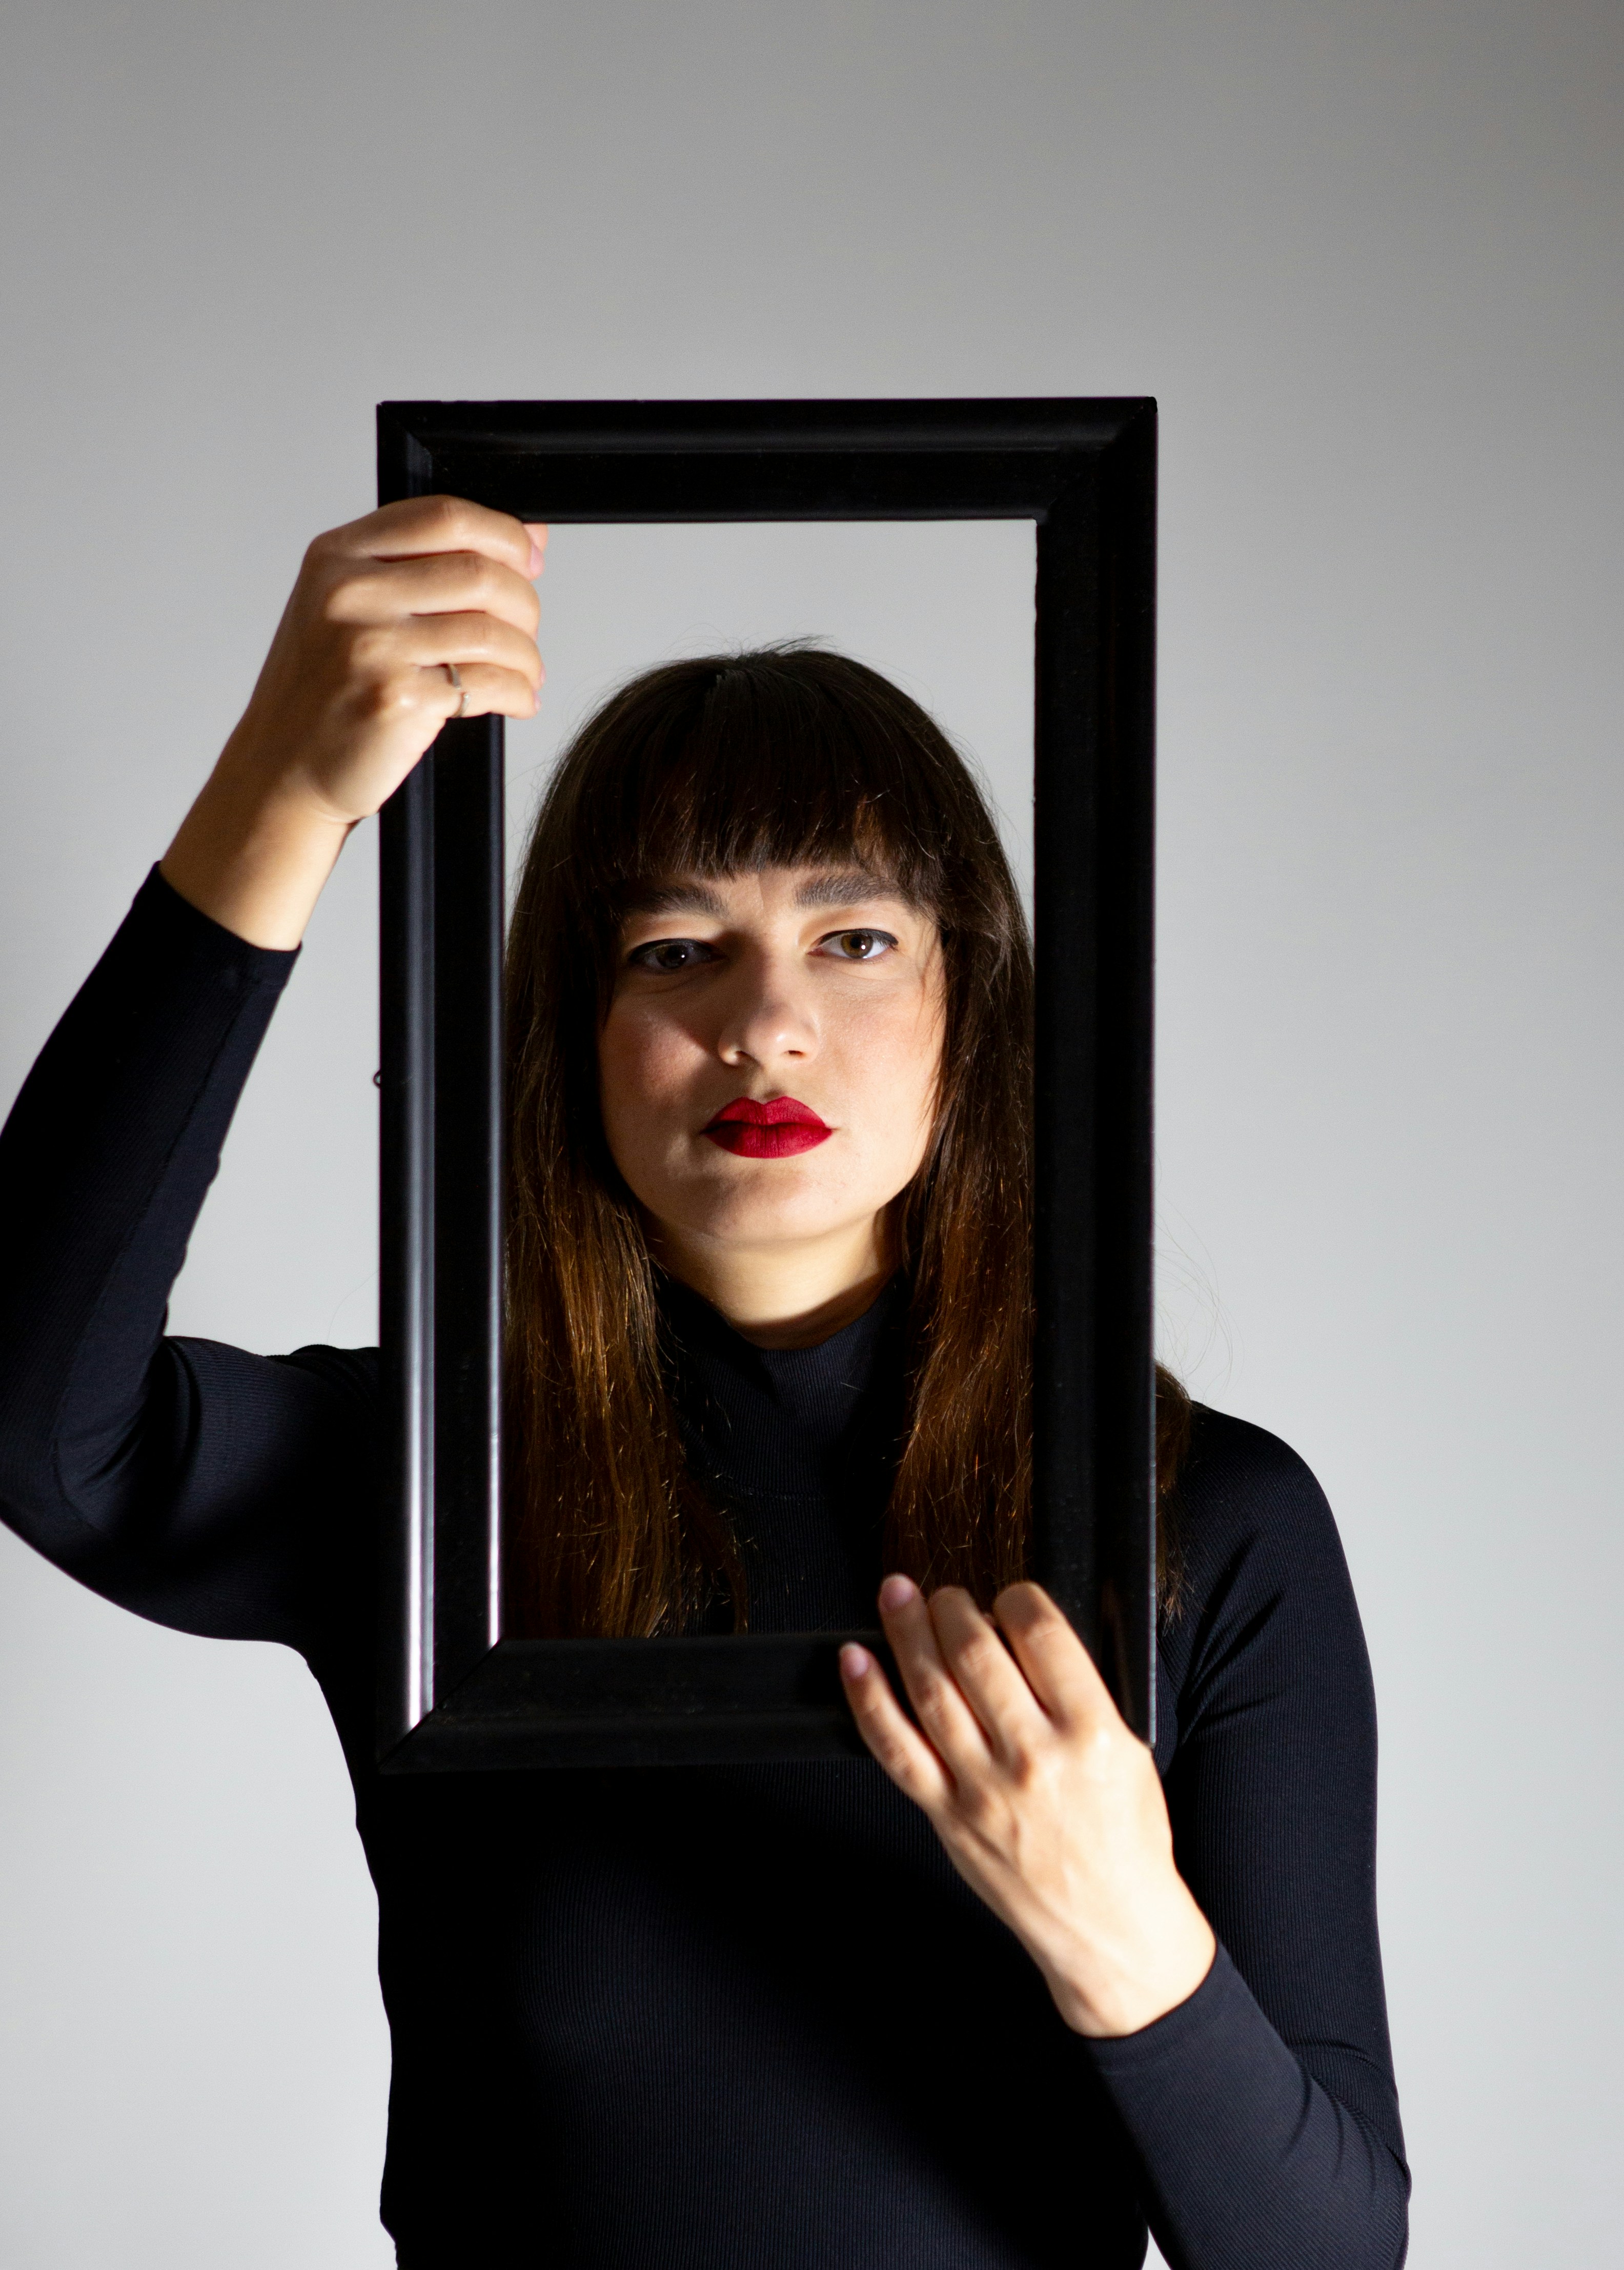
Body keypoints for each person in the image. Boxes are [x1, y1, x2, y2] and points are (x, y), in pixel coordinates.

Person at [0, 496, 1409, 2268]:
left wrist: (1128, 1933)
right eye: (676, 948)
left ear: (971, 1004)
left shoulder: (1199, 1520)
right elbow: (42, 1428)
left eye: (853, 937)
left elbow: (1331, 2251)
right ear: (571, 1032)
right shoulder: (442, 1482)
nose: (763, 1022)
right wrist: (283, 790)